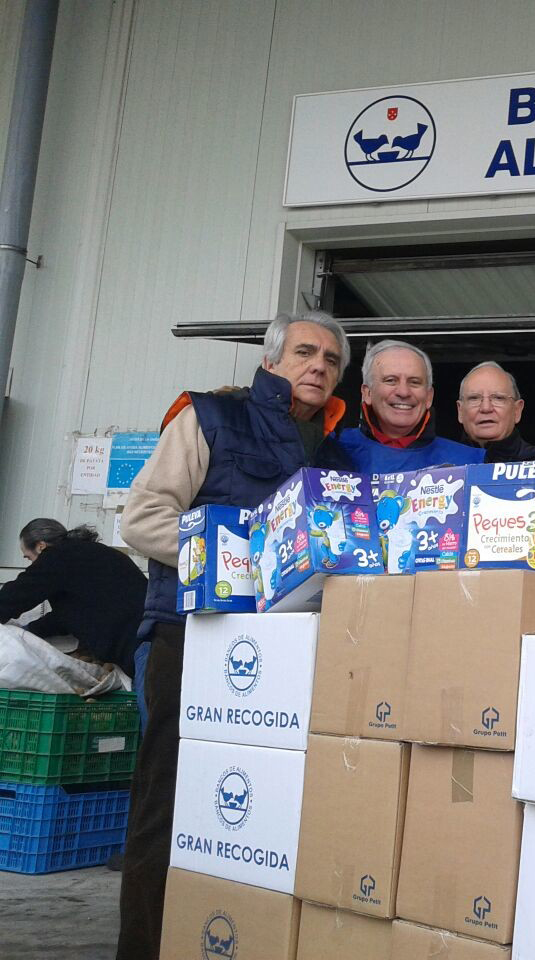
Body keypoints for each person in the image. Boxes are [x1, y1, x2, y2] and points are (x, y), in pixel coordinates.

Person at [116, 310, 353, 960]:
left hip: (281, 654)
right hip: (189, 638)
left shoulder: (332, 452)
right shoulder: (209, 417)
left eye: (332, 360)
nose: (318, 367)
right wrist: (239, 563)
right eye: (305, 352)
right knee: (166, 808)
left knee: (256, 814)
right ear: (272, 361)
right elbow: (141, 519)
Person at [0, 519, 145, 678]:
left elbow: (17, 594)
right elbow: (68, 614)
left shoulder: (57, 557)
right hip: (150, 635)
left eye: (28, 557)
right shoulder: (92, 554)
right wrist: (29, 630)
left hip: (138, 644)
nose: (32, 565)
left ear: (41, 546)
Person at [338, 339, 483, 472]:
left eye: (414, 382)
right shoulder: (332, 449)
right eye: (391, 380)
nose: (403, 392)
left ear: (429, 396)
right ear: (367, 393)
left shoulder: (471, 463)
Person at [457, 360, 535, 462]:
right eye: (474, 398)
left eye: (498, 398)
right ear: (460, 411)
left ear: (517, 410)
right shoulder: (441, 465)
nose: (486, 408)